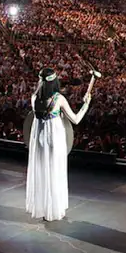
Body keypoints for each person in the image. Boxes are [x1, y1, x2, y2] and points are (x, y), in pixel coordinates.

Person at [24, 67, 91, 221]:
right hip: (54, 137)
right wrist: (86, 104)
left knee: (42, 170)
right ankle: (52, 209)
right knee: (54, 170)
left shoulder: (34, 98)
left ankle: (42, 207)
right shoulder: (58, 99)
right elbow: (75, 119)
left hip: (39, 138)